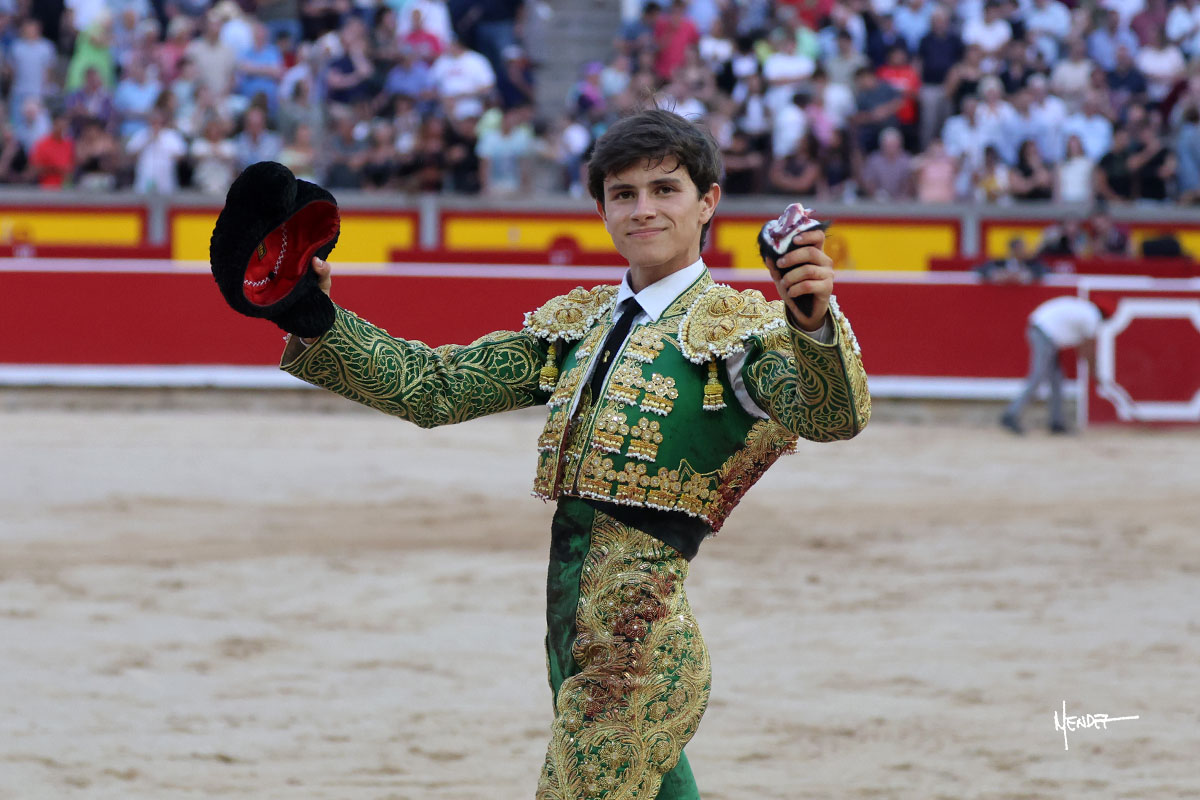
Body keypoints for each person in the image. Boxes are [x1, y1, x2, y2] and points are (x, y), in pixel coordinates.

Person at [274, 108, 870, 799]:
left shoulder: (743, 332)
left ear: (707, 201)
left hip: (638, 651)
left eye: (665, 190)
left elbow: (830, 416)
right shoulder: (578, 325)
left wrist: (811, 323)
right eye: (624, 194)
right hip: (571, 639)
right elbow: (436, 388)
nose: (643, 209)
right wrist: (314, 319)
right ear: (601, 209)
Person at [1001, 296, 1113, 434]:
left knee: (1056, 380)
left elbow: (1083, 348)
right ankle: (1011, 414)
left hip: (1044, 333)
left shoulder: (1085, 310)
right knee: (1038, 376)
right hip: (1045, 335)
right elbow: (1087, 350)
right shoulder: (1092, 317)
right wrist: (1095, 373)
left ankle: (1056, 422)